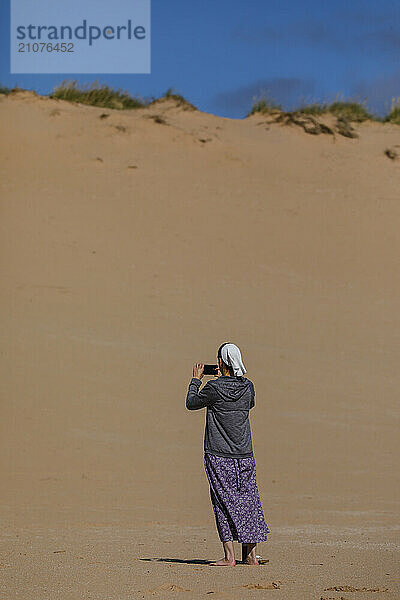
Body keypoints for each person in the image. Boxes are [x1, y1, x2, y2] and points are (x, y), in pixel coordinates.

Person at [186, 341, 270, 566]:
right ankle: (251, 555)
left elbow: (191, 403)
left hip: (219, 454)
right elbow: (249, 404)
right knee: (249, 500)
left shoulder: (214, 389)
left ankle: (229, 556)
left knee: (222, 501)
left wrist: (196, 379)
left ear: (221, 363)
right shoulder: (248, 387)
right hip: (244, 454)